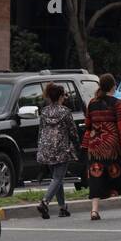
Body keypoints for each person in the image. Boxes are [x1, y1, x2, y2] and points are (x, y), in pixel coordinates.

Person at [82, 74, 121, 220]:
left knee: (96, 176)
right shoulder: (118, 103)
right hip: (113, 147)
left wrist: (86, 144)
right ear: (113, 86)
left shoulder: (92, 103)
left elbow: (88, 125)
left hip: (95, 146)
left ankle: (94, 211)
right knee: (120, 175)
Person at [35, 82, 79, 219]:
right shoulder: (65, 112)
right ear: (61, 96)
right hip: (61, 148)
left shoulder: (44, 112)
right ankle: (45, 202)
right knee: (58, 178)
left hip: (46, 148)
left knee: (57, 178)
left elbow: (41, 130)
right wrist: (77, 142)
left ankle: (62, 207)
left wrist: (40, 147)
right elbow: (72, 131)